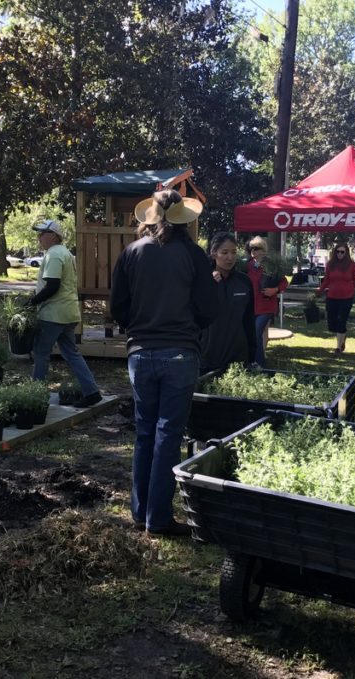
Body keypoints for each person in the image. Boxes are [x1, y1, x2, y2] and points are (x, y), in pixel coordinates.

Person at [111, 189, 218, 536]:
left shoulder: (131, 252)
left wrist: (139, 329)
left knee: (145, 433)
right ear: (185, 219)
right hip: (180, 352)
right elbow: (207, 309)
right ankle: (157, 519)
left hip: (139, 353)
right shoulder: (194, 255)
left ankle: (140, 512)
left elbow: (118, 308)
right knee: (167, 435)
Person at [27, 219, 101, 407]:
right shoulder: (65, 253)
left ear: (53, 236)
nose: (39, 237)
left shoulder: (54, 254)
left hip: (53, 314)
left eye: (42, 233)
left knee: (40, 353)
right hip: (69, 312)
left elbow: (53, 285)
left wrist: (32, 302)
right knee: (72, 353)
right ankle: (92, 392)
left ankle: (35, 397)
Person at [200, 232, 257, 372]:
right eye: (224, 252)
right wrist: (208, 283)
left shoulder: (244, 282)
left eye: (233, 252)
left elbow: (249, 321)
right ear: (214, 253)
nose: (230, 257)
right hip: (206, 358)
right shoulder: (202, 280)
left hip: (237, 358)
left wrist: (252, 354)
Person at [245, 235, 288, 367]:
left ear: (263, 250)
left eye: (257, 248)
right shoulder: (248, 265)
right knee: (254, 333)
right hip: (251, 307)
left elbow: (284, 282)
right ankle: (255, 360)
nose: (253, 251)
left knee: (257, 332)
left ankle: (260, 365)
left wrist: (275, 290)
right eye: (251, 248)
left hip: (267, 307)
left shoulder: (272, 265)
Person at [316, 240, 355, 355]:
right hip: (332, 296)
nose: (340, 254)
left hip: (347, 297)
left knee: (342, 322)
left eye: (342, 252)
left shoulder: (352, 265)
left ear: (346, 253)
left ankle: (338, 347)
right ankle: (343, 336)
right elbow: (327, 280)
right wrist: (320, 291)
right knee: (332, 324)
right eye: (337, 252)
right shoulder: (330, 265)